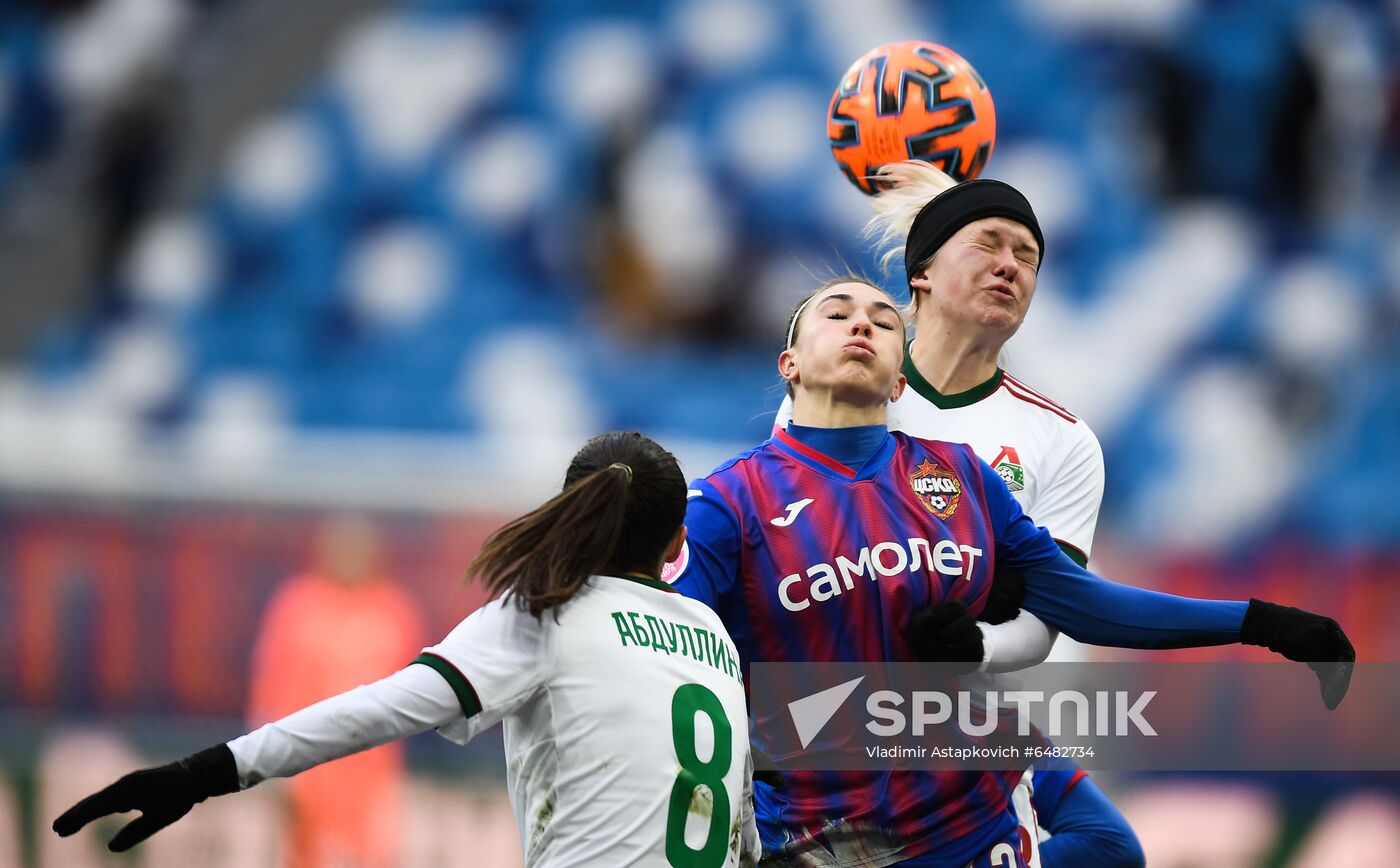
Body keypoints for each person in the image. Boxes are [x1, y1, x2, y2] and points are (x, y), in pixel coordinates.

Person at [672, 276, 1353, 867]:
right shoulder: (729, 502)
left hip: (969, 780)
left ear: (901, 378)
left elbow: (1084, 603)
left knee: (1113, 845)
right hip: (819, 834)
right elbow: (672, 656)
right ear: (790, 364)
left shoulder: (960, 476)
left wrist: (1262, 623)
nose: (863, 323)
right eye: (837, 312)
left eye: (884, 320)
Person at [53, 432, 762, 868]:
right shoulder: (713, 638)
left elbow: (379, 709)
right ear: (677, 544)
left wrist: (205, 772)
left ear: (573, 514)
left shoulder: (549, 612)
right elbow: (742, 830)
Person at [774, 161, 1134, 866]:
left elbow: (1045, 624)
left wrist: (975, 646)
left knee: (1113, 850)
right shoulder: (846, 380)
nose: (1010, 267)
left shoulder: (1062, 442)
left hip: (965, 717)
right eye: (988, 246)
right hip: (834, 715)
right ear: (923, 274)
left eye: (1026, 256)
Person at [246, 515, 426, 868]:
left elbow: (417, 694)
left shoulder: (393, 609)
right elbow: (269, 684)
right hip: (305, 767)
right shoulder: (297, 604)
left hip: (370, 776)